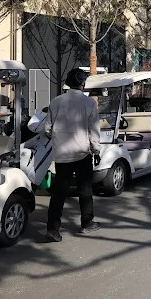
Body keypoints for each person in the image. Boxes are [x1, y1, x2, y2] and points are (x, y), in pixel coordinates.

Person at [44, 68, 101, 242]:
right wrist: (96, 150)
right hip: (82, 153)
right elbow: (94, 130)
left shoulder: (56, 101)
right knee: (85, 190)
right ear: (83, 83)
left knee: (59, 193)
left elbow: (47, 129)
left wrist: (58, 138)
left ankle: (53, 229)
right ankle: (87, 223)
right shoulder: (89, 103)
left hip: (61, 154)